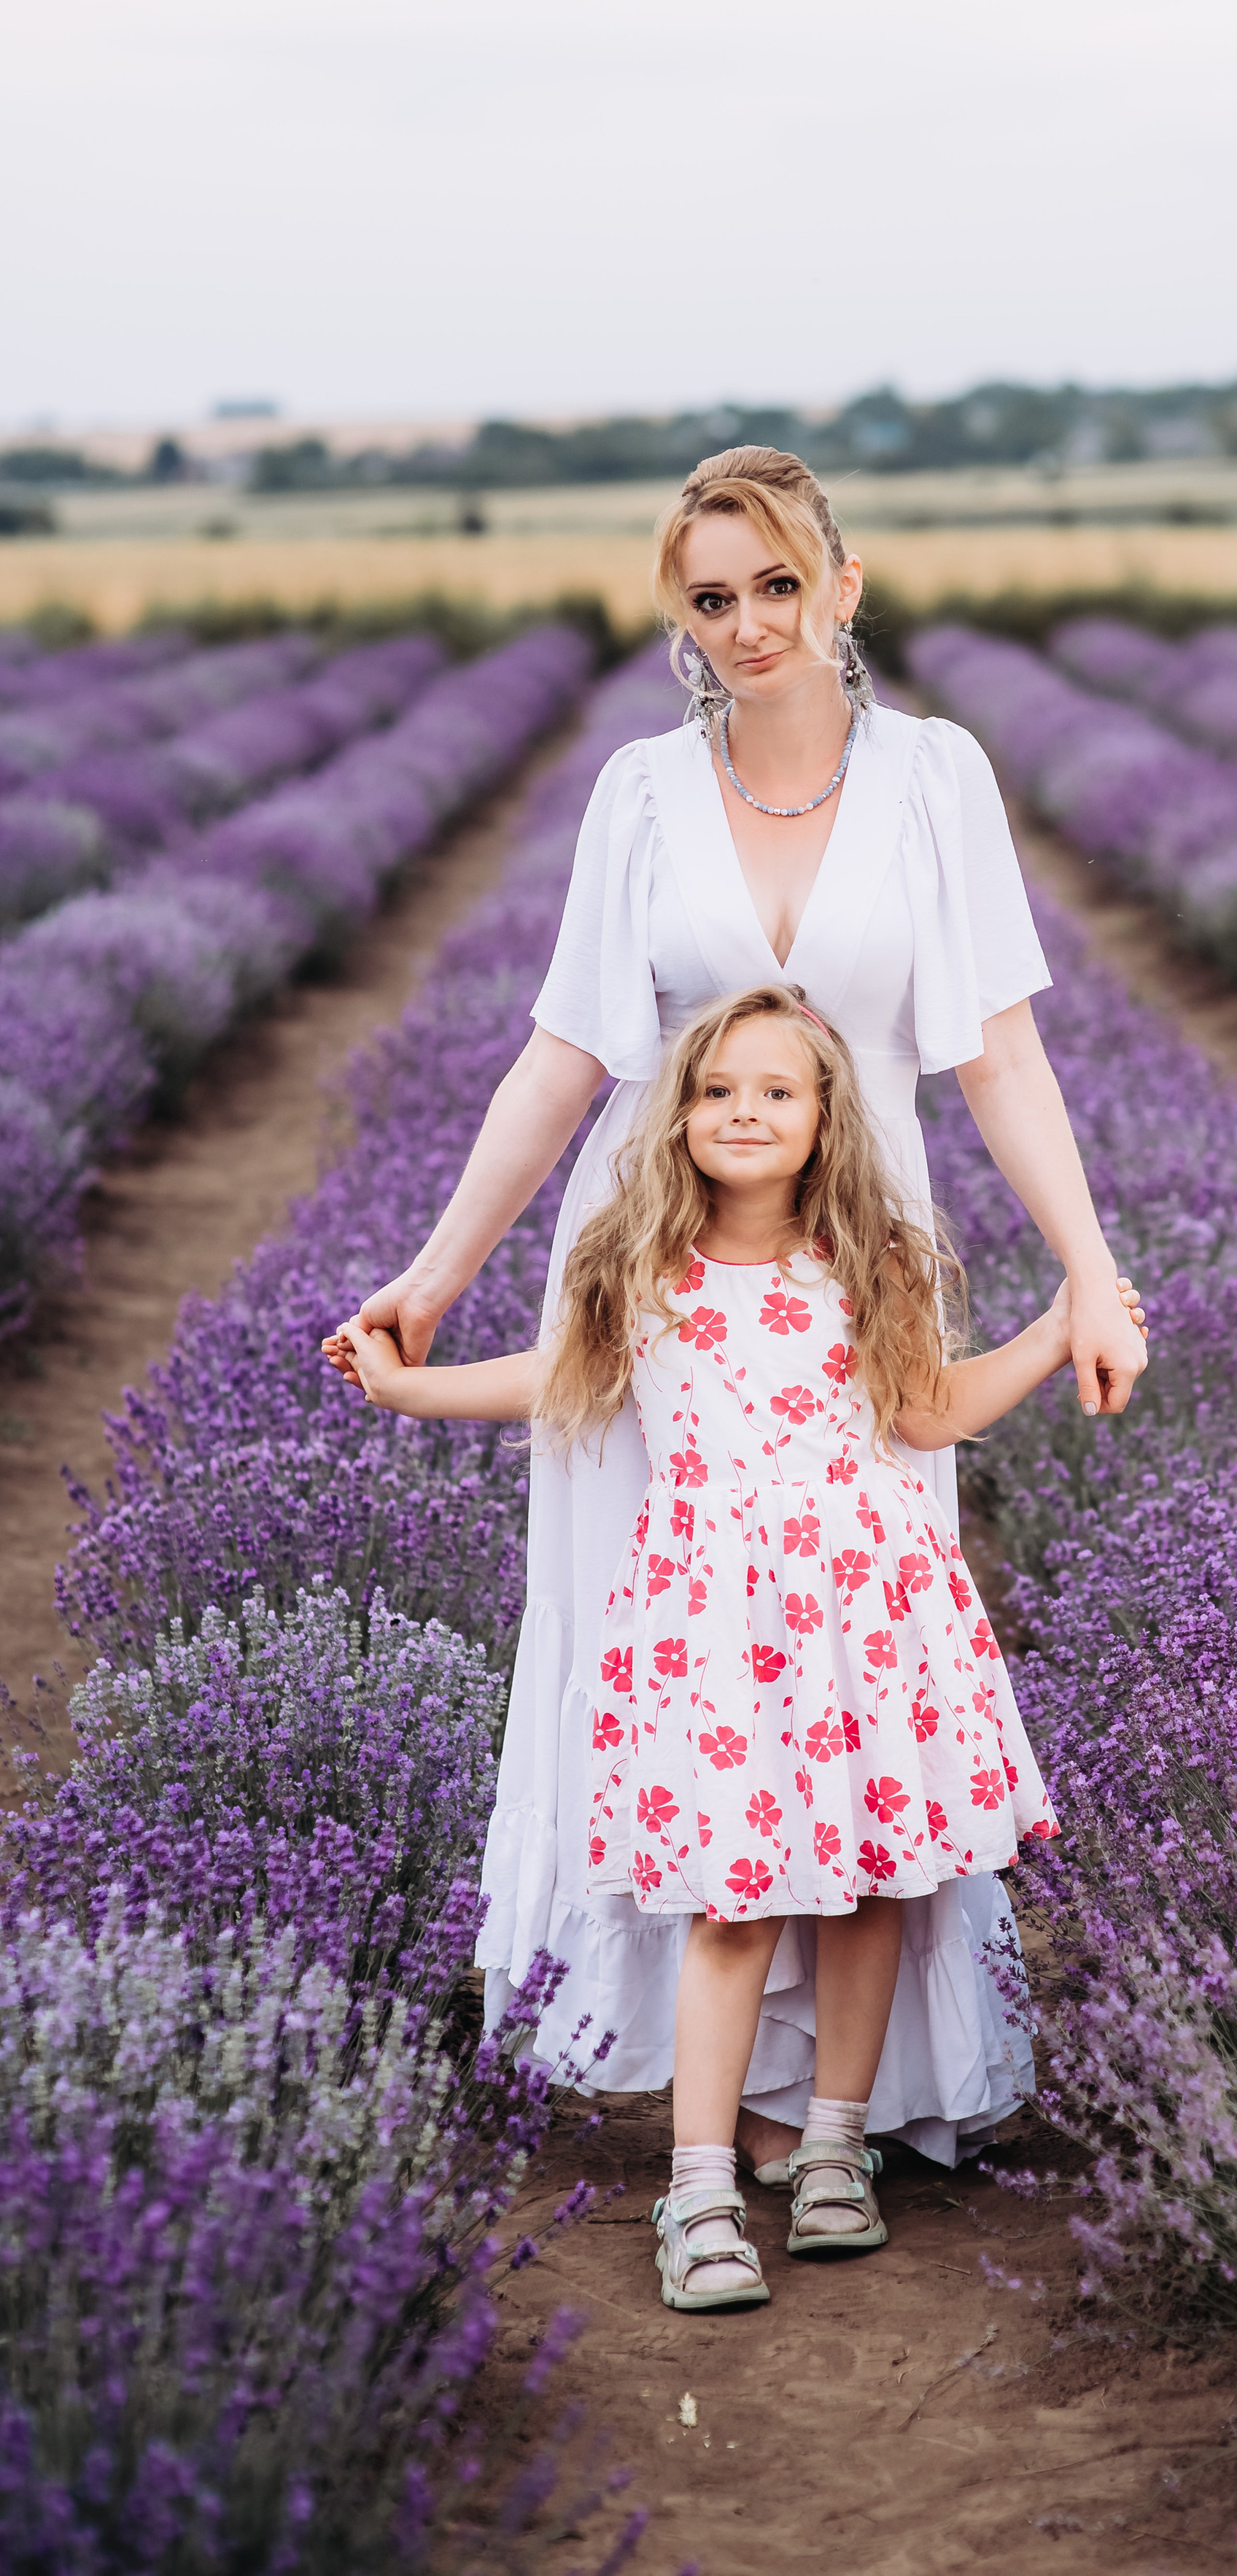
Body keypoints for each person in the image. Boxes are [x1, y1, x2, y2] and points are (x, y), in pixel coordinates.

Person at [337, 446, 1148, 2177]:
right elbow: (566, 1053)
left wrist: (1088, 1269)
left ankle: (817, 2102)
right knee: (678, 1659)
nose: (748, 623)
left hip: (859, 1266)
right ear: (678, 619)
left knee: (852, 1669)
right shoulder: (637, 790)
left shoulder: (935, 778)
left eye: (777, 584)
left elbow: (995, 1047)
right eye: (711, 597)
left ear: (840, 588)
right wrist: (437, 1268)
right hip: (662, 1266)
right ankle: (702, 2082)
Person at [327, 986, 1148, 2310]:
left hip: (867, 1606)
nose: (744, 1110)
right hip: (716, 1623)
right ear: (682, 1114)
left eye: (777, 1090)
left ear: (827, 1117)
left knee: (881, 1880)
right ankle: (699, 2183)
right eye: (717, 1090)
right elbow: (557, 1379)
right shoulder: (640, 1263)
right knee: (735, 1894)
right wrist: (412, 1385)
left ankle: (834, 2147)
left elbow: (930, 1413)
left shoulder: (869, 1254)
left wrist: (1059, 1328)